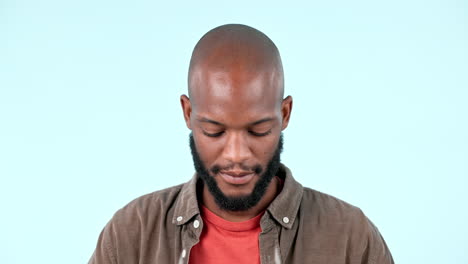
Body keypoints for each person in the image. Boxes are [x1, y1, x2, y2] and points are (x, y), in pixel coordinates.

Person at [88, 24, 394, 264]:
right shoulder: (132, 234)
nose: (236, 155)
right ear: (188, 113)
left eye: (258, 130)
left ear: (284, 114)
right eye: (214, 131)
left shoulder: (349, 237)